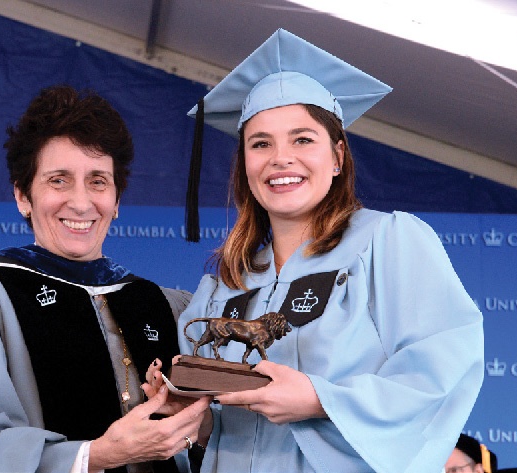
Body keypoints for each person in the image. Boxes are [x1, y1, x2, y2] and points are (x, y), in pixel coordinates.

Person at [147, 29, 484, 472]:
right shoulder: (225, 285)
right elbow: (220, 438)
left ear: (338, 156)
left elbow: (440, 373)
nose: (280, 158)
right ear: (244, 164)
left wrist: (321, 400)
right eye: (261, 143)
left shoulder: (388, 243)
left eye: (303, 139)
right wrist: (193, 422)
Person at [0, 85, 210, 473]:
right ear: (23, 196)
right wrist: (97, 455)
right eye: (59, 180)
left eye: (98, 181)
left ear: (117, 201)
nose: (82, 202)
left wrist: (202, 428)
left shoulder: (165, 307)